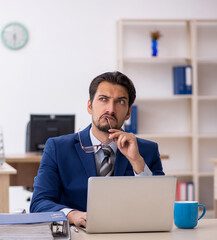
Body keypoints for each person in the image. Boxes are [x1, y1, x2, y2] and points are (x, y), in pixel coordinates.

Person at [30, 71, 164, 228]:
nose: (110, 109)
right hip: (79, 234)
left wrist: (137, 162)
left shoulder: (147, 150)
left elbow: (160, 205)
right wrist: (73, 215)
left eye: (120, 102)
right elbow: (39, 204)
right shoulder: (57, 148)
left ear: (128, 113)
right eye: (103, 99)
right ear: (89, 106)